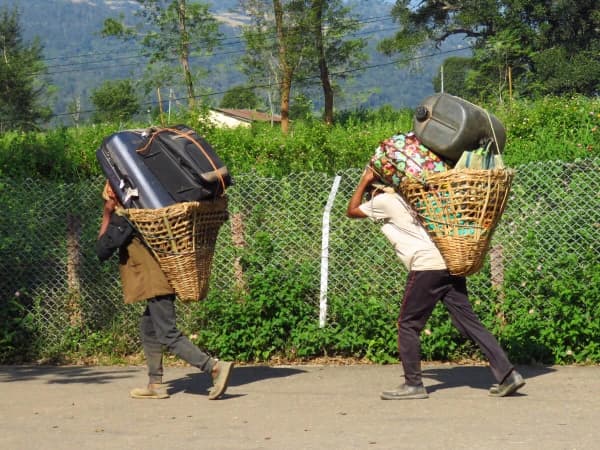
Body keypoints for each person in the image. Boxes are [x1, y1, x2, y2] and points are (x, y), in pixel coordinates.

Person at [346, 168, 525, 399]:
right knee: (468, 323)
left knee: (408, 324)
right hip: (447, 261)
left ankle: (413, 385)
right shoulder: (413, 198)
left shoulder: (384, 200)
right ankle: (508, 375)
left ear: (377, 187)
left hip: (426, 267)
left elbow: (351, 210)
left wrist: (364, 181)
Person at [97, 181, 234, 400]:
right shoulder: (152, 210)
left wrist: (107, 213)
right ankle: (155, 384)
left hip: (154, 282)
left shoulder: (126, 217)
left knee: (167, 333)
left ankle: (214, 367)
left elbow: (102, 249)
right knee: (148, 328)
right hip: (166, 276)